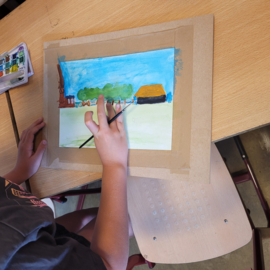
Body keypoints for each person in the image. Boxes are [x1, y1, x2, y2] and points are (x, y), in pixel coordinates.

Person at [0, 95, 132, 270]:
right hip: (53, 254)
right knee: (131, 216)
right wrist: (114, 164)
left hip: (38, 229)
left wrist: (17, 174)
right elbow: (110, 265)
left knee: (96, 214)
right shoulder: (14, 257)